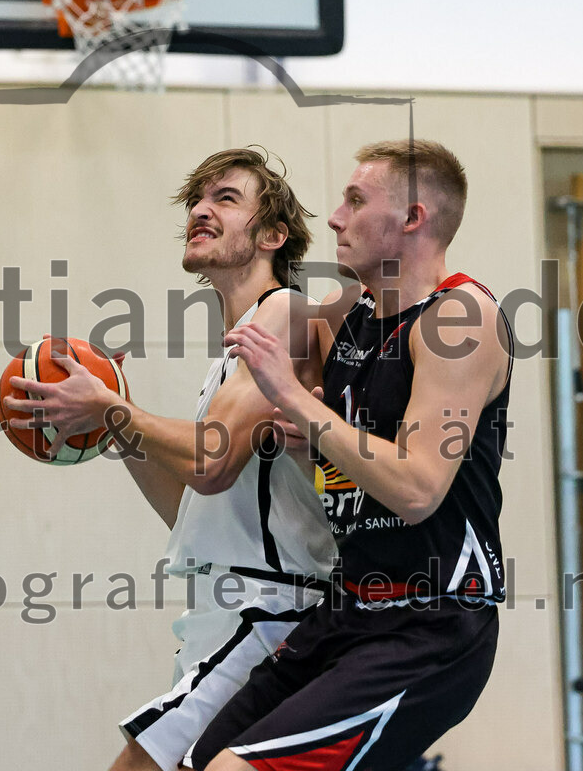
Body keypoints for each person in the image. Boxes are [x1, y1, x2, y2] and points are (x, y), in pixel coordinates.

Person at [4, 148, 337, 771]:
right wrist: (119, 426)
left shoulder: (285, 314)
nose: (201, 210)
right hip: (226, 611)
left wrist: (111, 410)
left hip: (270, 611)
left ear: (272, 234)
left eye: (225, 198)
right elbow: (194, 503)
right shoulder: (234, 359)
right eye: (197, 200)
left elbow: (208, 462)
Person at [192, 139, 514, 771]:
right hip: (352, 612)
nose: (335, 217)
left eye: (356, 199)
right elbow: (358, 451)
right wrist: (313, 436)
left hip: (431, 623)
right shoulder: (353, 317)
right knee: (197, 761)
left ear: (413, 218)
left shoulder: (460, 317)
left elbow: (418, 488)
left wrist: (294, 396)